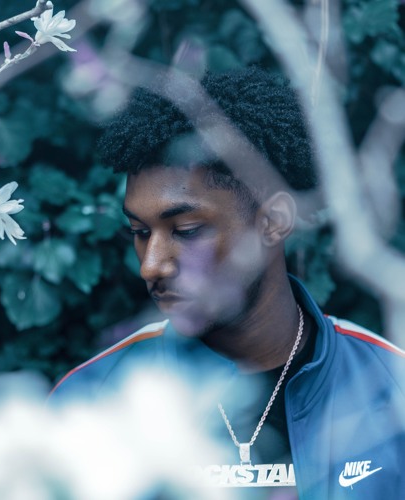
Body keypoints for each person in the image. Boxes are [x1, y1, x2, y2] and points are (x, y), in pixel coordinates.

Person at [49, 67, 405, 499]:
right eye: (140, 232)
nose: (151, 266)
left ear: (273, 221)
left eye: (186, 230)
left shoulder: (391, 389)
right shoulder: (93, 399)